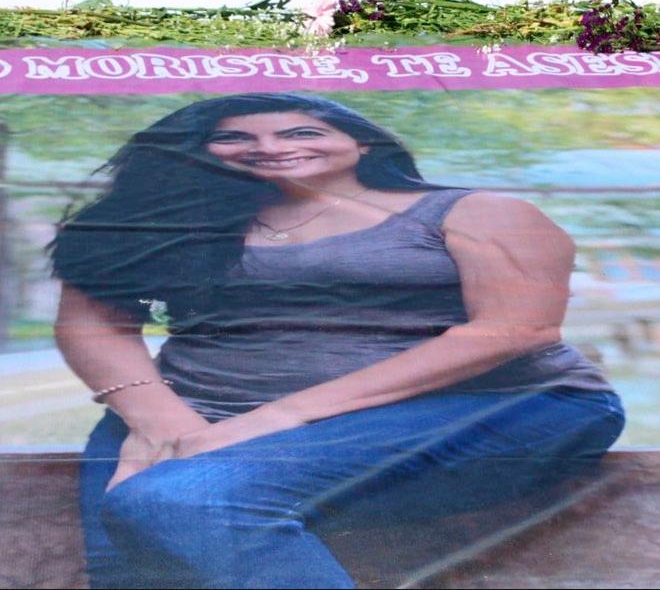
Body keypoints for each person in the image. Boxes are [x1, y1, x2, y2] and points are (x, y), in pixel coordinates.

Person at [51, 92, 625, 589]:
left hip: (492, 407)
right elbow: (95, 324)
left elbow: (515, 329)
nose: (268, 146)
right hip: (198, 412)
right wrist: (163, 423)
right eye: (233, 137)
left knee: (180, 502)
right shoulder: (160, 224)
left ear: (364, 143)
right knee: (135, 564)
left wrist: (274, 419)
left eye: (301, 132)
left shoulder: (477, 212)